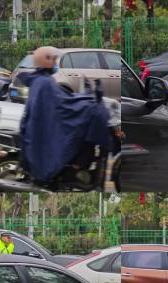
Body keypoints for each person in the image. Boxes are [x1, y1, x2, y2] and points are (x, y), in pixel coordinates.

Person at [18, 46, 113, 186]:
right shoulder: (45, 82)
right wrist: (87, 103)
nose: (56, 63)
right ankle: (77, 168)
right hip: (52, 126)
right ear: (46, 61)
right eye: (54, 59)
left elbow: (64, 98)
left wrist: (82, 97)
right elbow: (64, 104)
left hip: (44, 125)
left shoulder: (40, 80)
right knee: (84, 128)